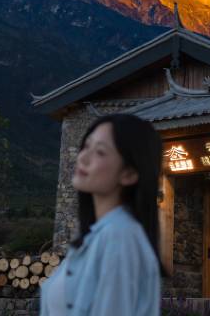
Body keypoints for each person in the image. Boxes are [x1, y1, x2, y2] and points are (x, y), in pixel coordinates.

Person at [40, 114, 162, 315]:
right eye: (86, 146)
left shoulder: (120, 237)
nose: (83, 157)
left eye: (100, 152)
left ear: (129, 173)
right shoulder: (97, 236)